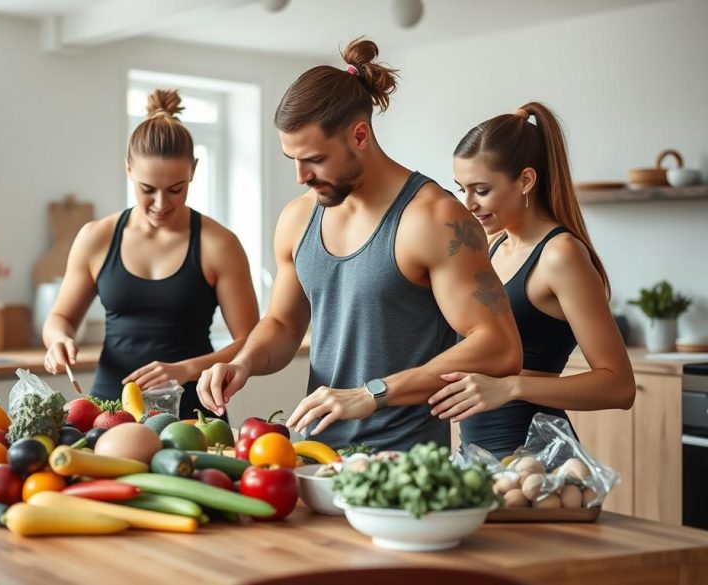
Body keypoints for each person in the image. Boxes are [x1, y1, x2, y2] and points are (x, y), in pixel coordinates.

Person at [196, 39, 522, 451]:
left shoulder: (434, 218)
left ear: (360, 135)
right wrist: (242, 362)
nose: (301, 176)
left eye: (314, 159)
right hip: (313, 457)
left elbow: (498, 346)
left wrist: (372, 393)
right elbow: (282, 325)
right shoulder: (298, 218)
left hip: (405, 465)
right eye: (291, 159)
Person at [427, 102, 635, 458]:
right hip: (477, 456)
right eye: (461, 188)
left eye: (481, 189)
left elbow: (619, 386)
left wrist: (510, 388)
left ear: (525, 180)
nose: (469, 204)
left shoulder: (560, 255)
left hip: (536, 462)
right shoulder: (492, 247)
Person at [43, 89, 259, 419]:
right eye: (147, 190)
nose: (161, 204)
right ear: (128, 168)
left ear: (194, 170)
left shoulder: (220, 244)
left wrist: (186, 369)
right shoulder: (96, 238)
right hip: (109, 411)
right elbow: (61, 318)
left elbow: (251, 342)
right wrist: (58, 339)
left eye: (176, 189)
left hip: (193, 412)